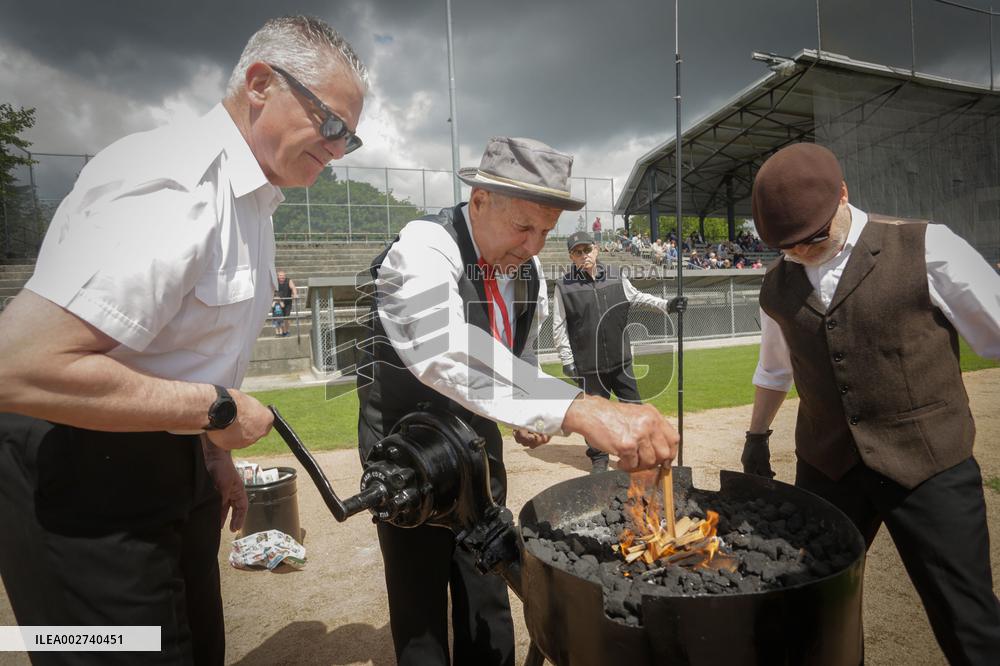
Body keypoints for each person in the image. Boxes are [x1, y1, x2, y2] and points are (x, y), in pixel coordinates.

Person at [0, 16, 367, 664]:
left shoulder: (253, 201)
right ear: (260, 84)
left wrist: (209, 452)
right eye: (332, 125)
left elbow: (173, 351)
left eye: (350, 140)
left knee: (198, 648)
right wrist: (218, 412)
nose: (338, 149)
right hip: (77, 482)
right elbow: (18, 366)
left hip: (163, 460)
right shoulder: (174, 183)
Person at [357, 136, 679, 666]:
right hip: (408, 457)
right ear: (479, 201)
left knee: (489, 599)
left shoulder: (524, 271)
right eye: (523, 227)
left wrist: (524, 412)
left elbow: (507, 351)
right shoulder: (423, 245)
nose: (533, 246)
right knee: (419, 615)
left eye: (546, 232)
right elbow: (444, 347)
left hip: (476, 452)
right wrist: (578, 406)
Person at [742, 142, 1000, 664]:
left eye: (812, 239)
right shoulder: (777, 284)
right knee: (814, 609)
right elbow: (775, 368)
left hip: (929, 463)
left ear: (843, 195)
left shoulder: (929, 247)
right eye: (787, 247)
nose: (802, 254)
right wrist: (756, 436)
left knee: (966, 619)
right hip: (827, 466)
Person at [553, 231, 676, 474]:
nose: (584, 255)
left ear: (596, 249)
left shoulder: (615, 276)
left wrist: (667, 305)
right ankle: (599, 458)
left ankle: (641, 451)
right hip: (589, 365)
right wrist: (567, 360)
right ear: (571, 256)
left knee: (635, 409)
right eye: (578, 252)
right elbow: (558, 326)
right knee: (595, 418)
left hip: (621, 361)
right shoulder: (563, 286)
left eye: (587, 249)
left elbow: (638, 298)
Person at [274, 269, 297, 336]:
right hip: (278, 302)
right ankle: (281, 332)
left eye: (283, 276)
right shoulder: (275, 281)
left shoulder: (288, 281)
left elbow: (293, 288)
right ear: (278, 276)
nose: (282, 277)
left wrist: (295, 294)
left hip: (287, 302)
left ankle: (286, 331)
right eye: (281, 276)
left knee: (286, 317)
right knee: (279, 317)